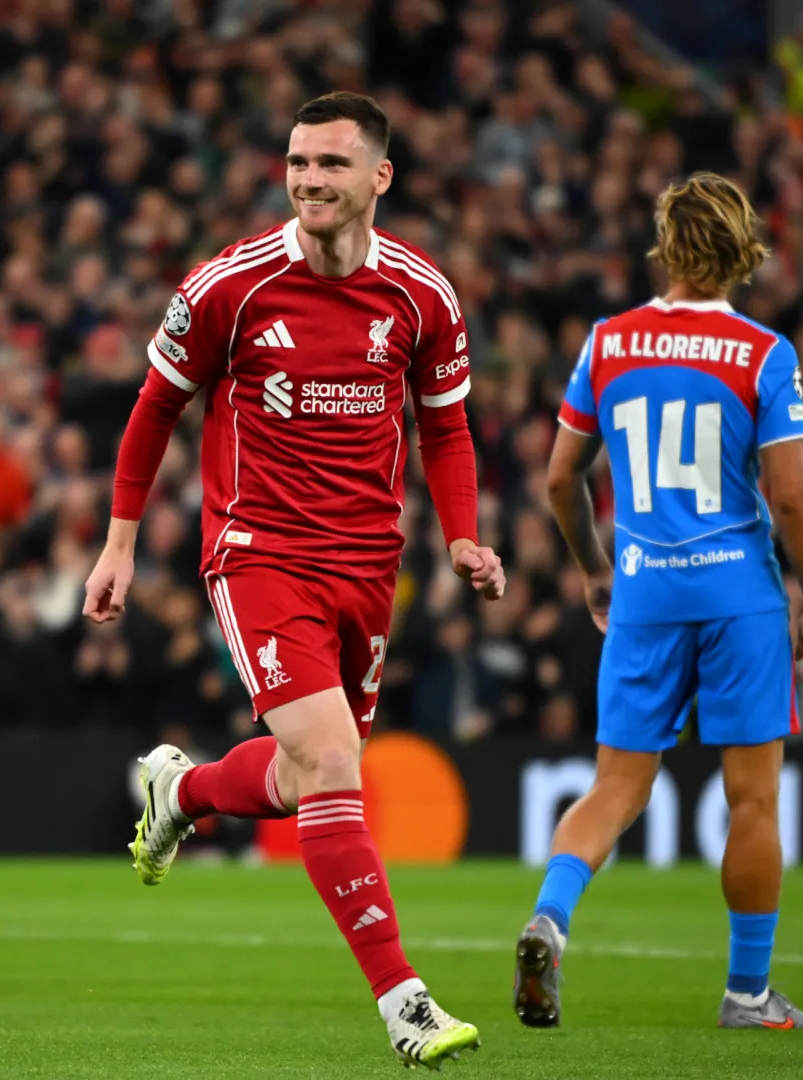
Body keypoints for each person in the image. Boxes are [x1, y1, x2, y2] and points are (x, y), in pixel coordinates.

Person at [82, 93, 505, 1069]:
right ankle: (405, 1004)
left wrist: (463, 538)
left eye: (332, 165)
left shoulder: (422, 296)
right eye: (299, 162)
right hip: (258, 553)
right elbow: (155, 411)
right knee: (329, 759)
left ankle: (181, 792)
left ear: (379, 179)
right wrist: (120, 543)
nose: (311, 180)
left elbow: (444, 427)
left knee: (305, 771)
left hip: (370, 567)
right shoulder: (230, 286)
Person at [516, 172, 803, 1031]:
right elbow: (793, 496)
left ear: (667, 245)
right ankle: (747, 993)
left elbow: (559, 477)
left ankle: (550, 916)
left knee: (616, 787)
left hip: (647, 589)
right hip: (740, 595)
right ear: (741, 251)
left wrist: (591, 564)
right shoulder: (766, 353)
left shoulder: (608, 343)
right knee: (753, 800)